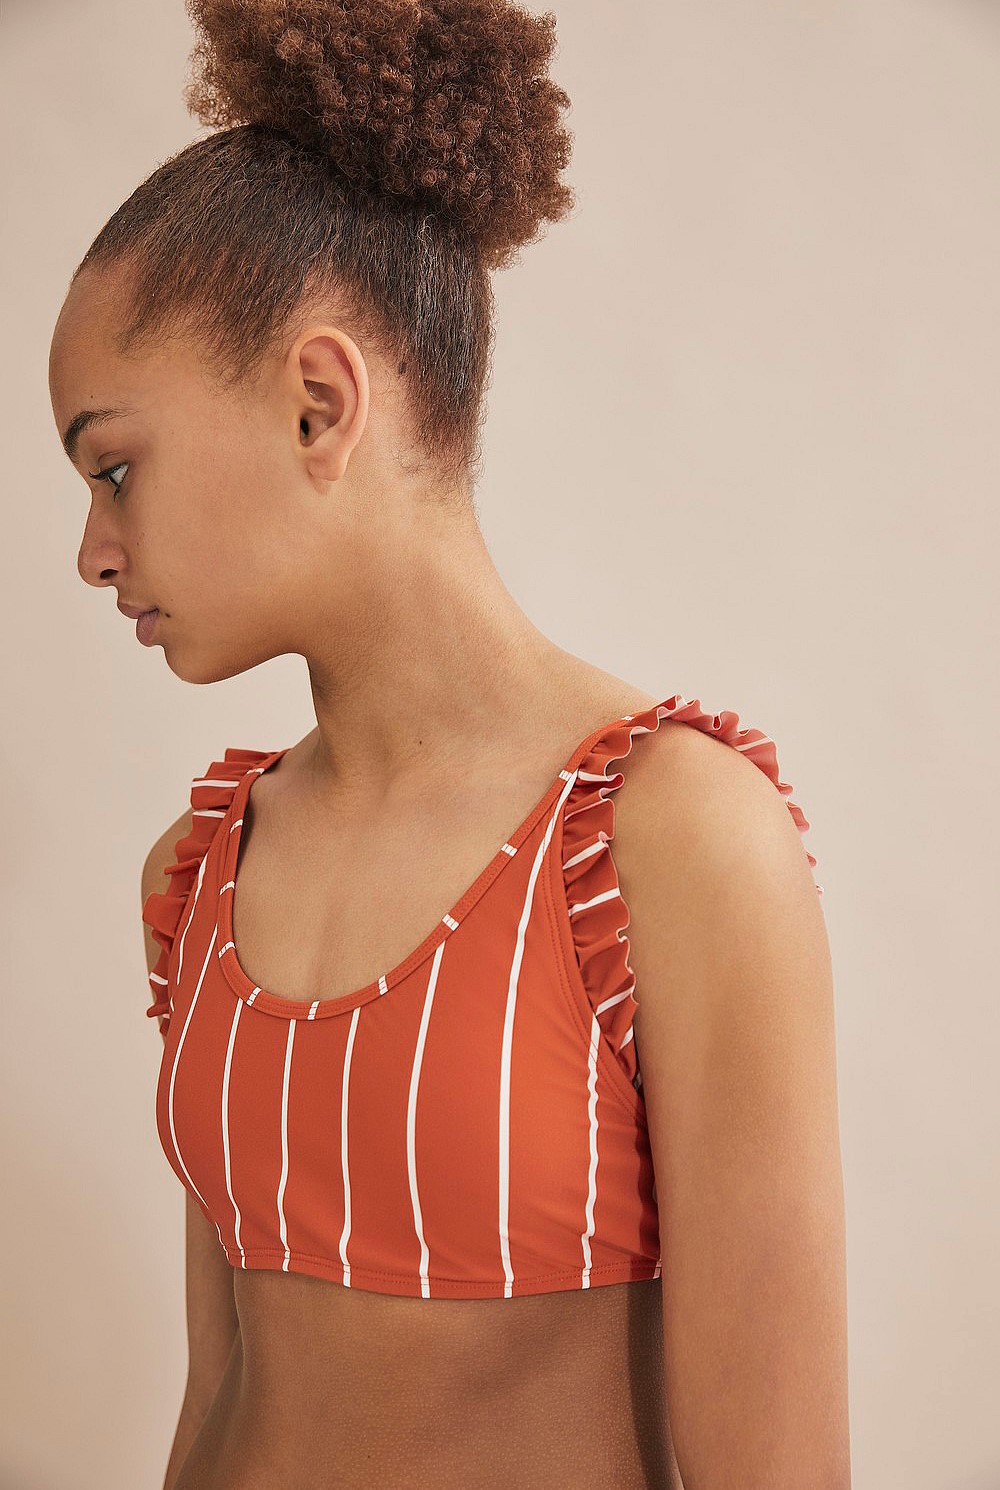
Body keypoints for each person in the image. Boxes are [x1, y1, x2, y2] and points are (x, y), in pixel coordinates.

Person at [47, 1, 849, 1486]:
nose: (93, 551)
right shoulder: (198, 873)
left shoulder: (670, 842)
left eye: (114, 465)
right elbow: (215, 1399)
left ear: (316, 403)